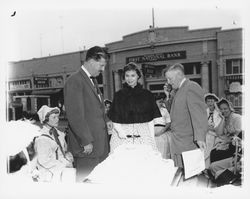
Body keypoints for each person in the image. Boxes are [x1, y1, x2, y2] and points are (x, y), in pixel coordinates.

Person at [64, 46, 111, 182]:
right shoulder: (75, 80)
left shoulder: (93, 80)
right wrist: (85, 141)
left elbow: (96, 107)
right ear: (91, 61)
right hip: (87, 148)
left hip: (99, 146)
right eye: (101, 65)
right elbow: (75, 115)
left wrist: (106, 120)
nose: (102, 69)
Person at [108, 62, 161, 153]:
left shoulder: (147, 95)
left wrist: (152, 139)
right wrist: (120, 132)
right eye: (127, 75)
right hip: (122, 136)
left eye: (133, 75)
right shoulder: (119, 95)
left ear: (138, 76)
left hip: (143, 135)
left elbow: (150, 121)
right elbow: (115, 118)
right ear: (124, 77)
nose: (129, 78)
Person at [165, 63, 207, 168]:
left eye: (170, 79)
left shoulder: (191, 87)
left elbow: (199, 114)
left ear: (179, 75)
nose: (168, 82)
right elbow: (174, 113)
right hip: (178, 143)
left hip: (188, 144)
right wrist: (168, 95)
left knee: (191, 177)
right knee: (181, 176)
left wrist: (200, 137)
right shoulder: (178, 90)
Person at [35, 105, 74, 182]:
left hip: (62, 167)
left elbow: (64, 150)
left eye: (57, 117)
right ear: (46, 120)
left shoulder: (59, 133)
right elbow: (43, 160)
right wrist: (64, 165)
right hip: (49, 171)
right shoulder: (42, 138)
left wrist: (68, 158)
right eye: (54, 117)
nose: (57, 119)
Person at [210, 98, 242, 163]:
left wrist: (227, 141)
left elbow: (239, 135)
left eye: (225, 109)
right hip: (229, 144)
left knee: (215, 154)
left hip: (237, 146)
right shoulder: (224, 119)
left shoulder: (237, 118)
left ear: (230, 108)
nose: (223, 111)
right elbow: (219, 133)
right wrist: (223, 119)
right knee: (213, 152)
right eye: (221, 109)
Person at [204, 93, 224, 168]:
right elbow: (203, 123)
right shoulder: (205, 111)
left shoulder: (218, 112)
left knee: (209, 149)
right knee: (206, 148)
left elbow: (219, 126)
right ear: (206, 102)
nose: (210, 103)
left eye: (212, 101)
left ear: (215, 102)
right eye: (208, 101)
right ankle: (205, 166)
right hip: (207, 133)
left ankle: (207, 167)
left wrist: (212, 128)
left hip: (216, 134)